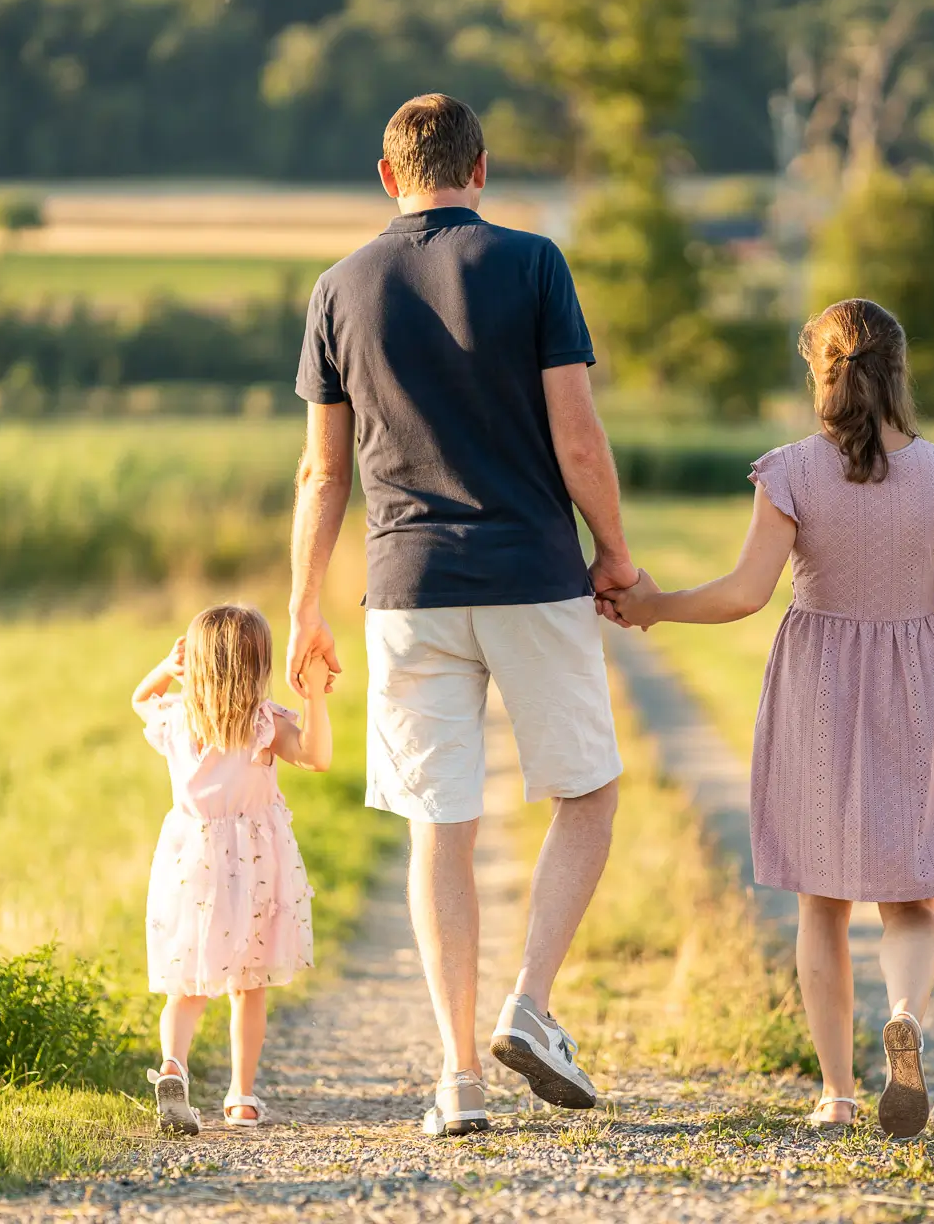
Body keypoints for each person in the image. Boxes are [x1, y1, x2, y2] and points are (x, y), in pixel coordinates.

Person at [287, 93, 638, 1137]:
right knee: (588, 790)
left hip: (405, 589)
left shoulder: (338, 288)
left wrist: (306, 605)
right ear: (479, 169)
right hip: (532, 571)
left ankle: (456, 1080)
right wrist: (614, 550)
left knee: (440, 827)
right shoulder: (533, 266)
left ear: (388, 176)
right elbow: (579, 439)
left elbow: (321, 472)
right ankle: (528, 1003)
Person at [605, 298, 934, 1139]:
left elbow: (747, 593)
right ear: (899, 373)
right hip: (916, 683)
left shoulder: (791, 471)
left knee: (822, 903)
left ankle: (836, 1094)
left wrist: (657, 606)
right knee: (914, 900)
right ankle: (905, 1015)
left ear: (821, 376)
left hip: (817, 687)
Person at [131, 604, 331, 1135]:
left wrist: (163, 668)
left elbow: (140, 699)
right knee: (250, 986)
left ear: (195, 663)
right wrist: (312, 695)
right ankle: (241, 1097)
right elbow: (317, 757)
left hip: (190, 868)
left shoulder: (178, 720)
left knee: (188, 987)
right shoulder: (264, 723)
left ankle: (173, 1066)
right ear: (260, 664)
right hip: (255, 868)